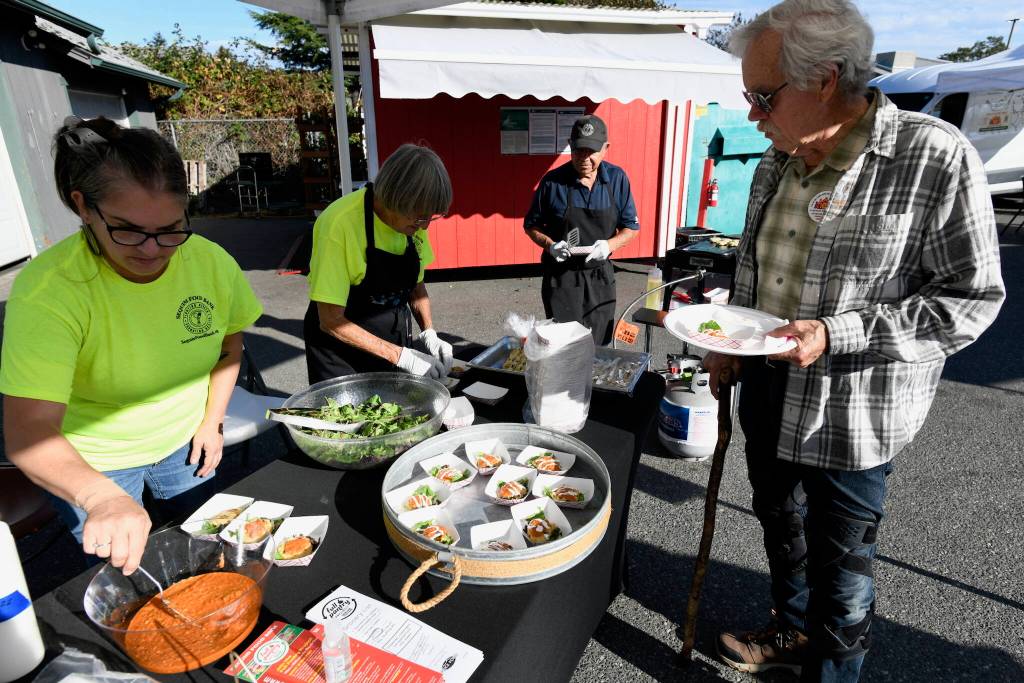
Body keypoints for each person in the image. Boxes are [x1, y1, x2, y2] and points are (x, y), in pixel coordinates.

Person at [702, 1, 1006, 681]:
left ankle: (834, 673)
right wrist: (729, 339)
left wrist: (836, 333)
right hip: (767, 386)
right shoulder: (774, 163)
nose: (752, 113)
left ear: (826, 80)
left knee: (843, 568)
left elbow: (970, 300)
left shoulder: (932, 156)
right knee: (780, 527)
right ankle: (789, 631)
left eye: (762, 95)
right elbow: (754, 274)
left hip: (853, 414)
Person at [1, 116, 263, 575]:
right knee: (131, 577)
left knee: (206, 555)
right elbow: (28, 433)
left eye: (170, 229)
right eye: (127, 229)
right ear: (84, 208)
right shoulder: (49, 291)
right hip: (93, 463)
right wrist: (100, 496)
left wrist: (211, 421)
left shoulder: (209, 263)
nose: (151, 249)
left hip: (185, 442)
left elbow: (228, 345)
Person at [303, 144, 454, 384]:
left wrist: (429, 332)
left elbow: (416, 285)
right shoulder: (340, 225)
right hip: (340, 354)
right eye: (421, 217)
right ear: (396, 199)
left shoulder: (412, 222)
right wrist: (402, 357)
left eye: (431, 217)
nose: (425, 226)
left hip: (390, 344)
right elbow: (330, 319)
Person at [524, 114, 639, 346]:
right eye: (578, 151)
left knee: (599, 345)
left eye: (591, 151)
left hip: (600, 278)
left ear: (606, 149)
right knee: (563, 347)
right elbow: (531, 226)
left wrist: (609, 245)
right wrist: (550, 245)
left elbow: (631, 227)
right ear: (570, 146)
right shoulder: (552, 182)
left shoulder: (617, 180)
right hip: (562, 278)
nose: (584, 158)